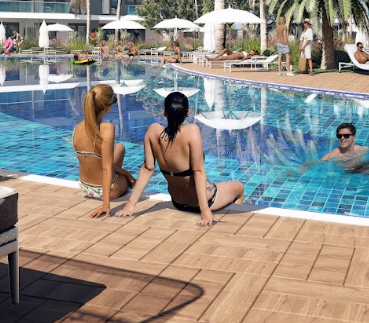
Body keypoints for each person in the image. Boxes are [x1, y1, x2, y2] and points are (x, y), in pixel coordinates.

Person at [117, 91, 244, 226]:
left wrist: (130, 205)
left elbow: (147, 169)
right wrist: (205, 210)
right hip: (202, 202)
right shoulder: (191, 131)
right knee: (239, 188)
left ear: (164, 112)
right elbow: (198, 171)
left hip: (178, 201)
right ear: (188, 112)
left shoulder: (153, 131)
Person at [73, 84, 136, 215]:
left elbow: (99, 163)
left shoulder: (77, 128)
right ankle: (124, 178)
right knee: (130, 180)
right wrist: (105, 206)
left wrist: (125, 173)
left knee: (120, 148)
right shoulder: (107, 128)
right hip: (108, 190)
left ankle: (125, 175)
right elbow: (107, 168)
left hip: (85, 188)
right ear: (107, 108)